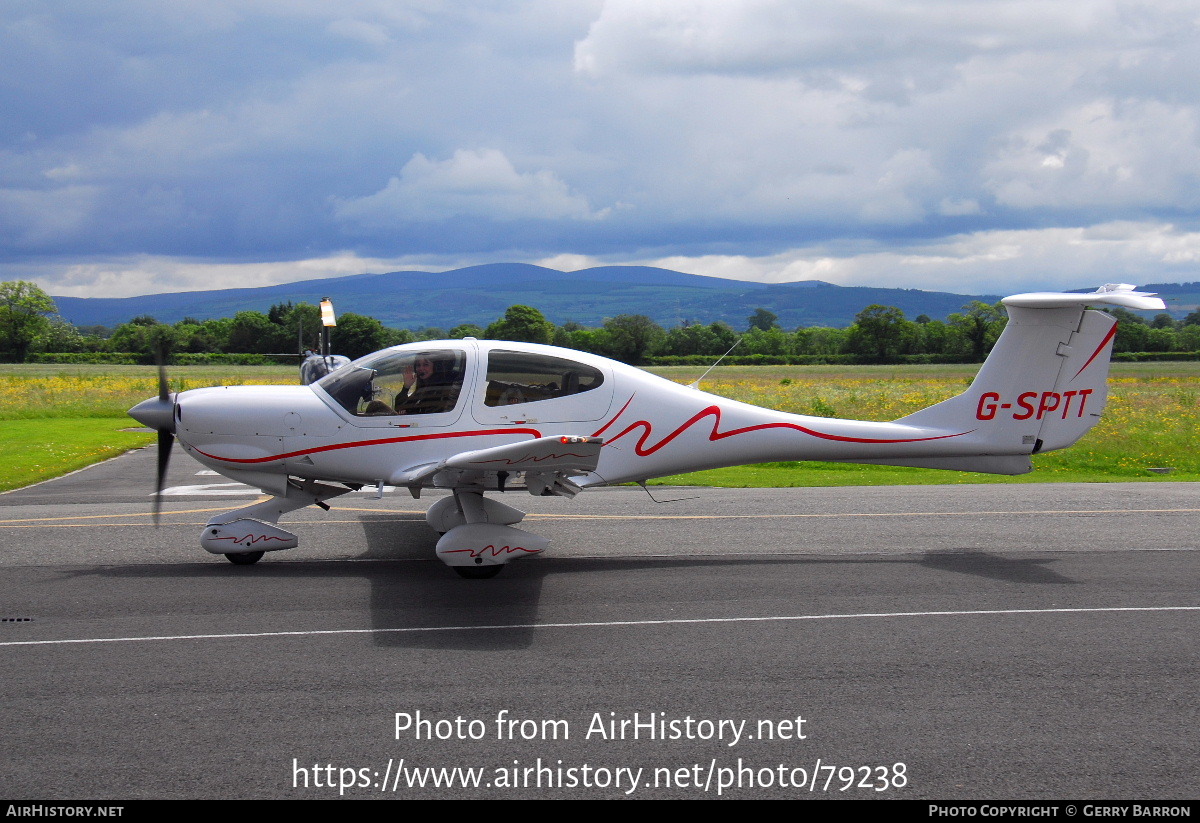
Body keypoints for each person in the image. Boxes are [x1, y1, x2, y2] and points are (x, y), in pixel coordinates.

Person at [394, 354, 459, 414]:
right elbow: (398, 408)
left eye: (426, 364)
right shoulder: (423, 389)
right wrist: (406, 386)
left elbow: (430, 413)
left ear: (435, 367)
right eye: (418, 365)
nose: (421, 368)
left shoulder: (440, 390)